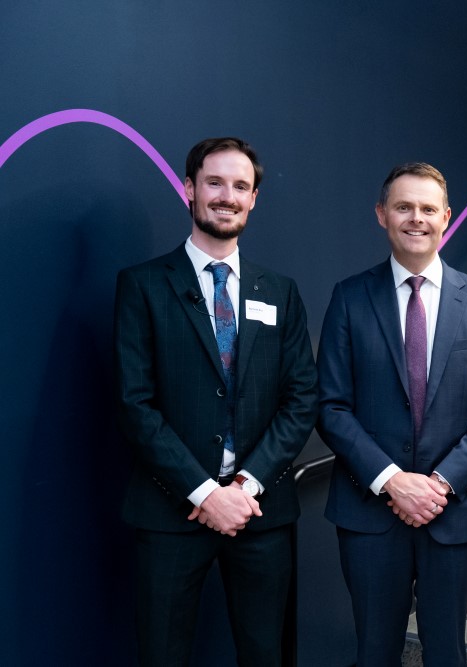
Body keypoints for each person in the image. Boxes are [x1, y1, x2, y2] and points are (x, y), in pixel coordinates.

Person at [114, 137, 318, 666]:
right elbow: (135, 405)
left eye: (240, 186)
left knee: (267, 654)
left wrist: (244, 487)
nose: (227, 196)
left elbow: (300, 400)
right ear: (189, 189)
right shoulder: (142, 286)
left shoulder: (282, 292)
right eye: (215, 183)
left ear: (254, 200)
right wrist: (206, 493)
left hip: (261, 512)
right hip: (169, 510)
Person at [315, 162, 467, 666]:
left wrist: (441, 483)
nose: (416, 218)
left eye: (428, 209)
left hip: (453, 512)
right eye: (403, 207)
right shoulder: (349, 297)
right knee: (375, 653)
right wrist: (391, 480)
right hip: (370, 512)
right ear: (382, 214)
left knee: (447, 654)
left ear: (446, 217)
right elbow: (331, 405)